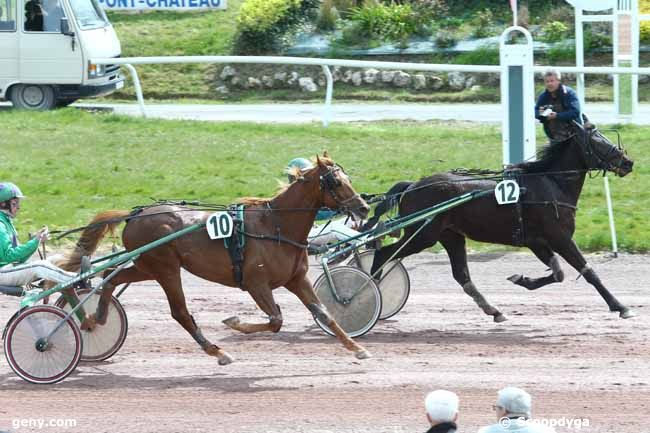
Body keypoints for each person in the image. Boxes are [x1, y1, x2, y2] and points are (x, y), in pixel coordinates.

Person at [0, 182, 76, 290]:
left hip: (8, 269)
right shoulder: (0, 225)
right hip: (3, 273)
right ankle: (77, 278)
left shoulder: (6, 222)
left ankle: (88, 272)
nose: (18, 207)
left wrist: (36, 240)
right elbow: (9, 257)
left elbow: (19, 258)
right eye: (14, 203)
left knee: (57, 259)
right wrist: (36, 241)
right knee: (40, 266)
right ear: (3, 204)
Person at [285, 158, 364, 250]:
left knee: (353, 220)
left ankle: (375, 234)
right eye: (304, 173)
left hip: (313, 230)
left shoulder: (307, 192)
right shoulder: (293, 195)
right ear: (295, 177)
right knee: (334, 228)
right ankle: (367, 242)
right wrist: (340, 211)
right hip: (304, 236)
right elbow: (318, 214)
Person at [478, 387, 556, 433]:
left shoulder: (486, 431)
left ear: (503, 410)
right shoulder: (547, 431)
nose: (495, 411)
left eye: (496, 408)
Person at [534, 69, 581, 142]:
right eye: (547, 81)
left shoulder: (569, 93)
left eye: (552, 81)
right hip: (553, 136)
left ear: (558, 81)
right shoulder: (543, 96)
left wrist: (557, 115)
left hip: (573, 135)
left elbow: (575, 112)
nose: (549, 84)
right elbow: (535, 111)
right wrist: (540, 114)